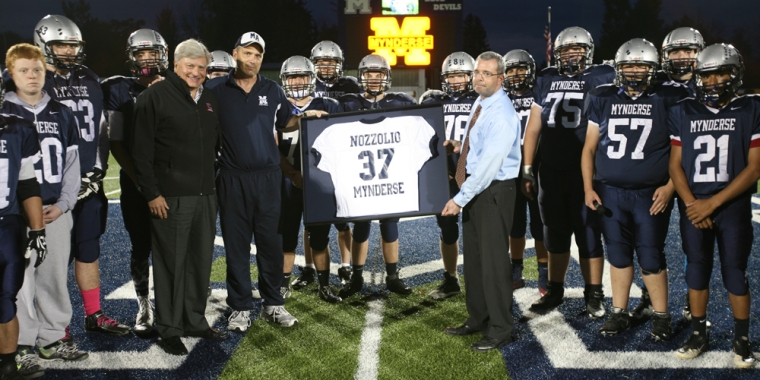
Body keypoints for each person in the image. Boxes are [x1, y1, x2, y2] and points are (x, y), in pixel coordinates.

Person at [581, 38, 688, 340]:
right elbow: (589, 148)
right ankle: (619, 313)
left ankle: (662, 316)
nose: (635, 71)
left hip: (650, 192)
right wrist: (588, 187)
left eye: (642, 65)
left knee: (651, 255)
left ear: (654, 69)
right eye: (629, 65)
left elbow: (683, 149)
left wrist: (670, 187)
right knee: (617, 254)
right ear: (619, 68)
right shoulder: (601, 96)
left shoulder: (669, 97)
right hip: (610, 190)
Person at [205, 32, 309, 332]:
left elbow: (287, 121)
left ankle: (273, 303)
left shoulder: (273, 90)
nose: (253, 59)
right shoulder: (214, 89)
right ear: (235, 53)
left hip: (268, 178)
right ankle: (239, 307)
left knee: (270, 243)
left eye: (258, 55)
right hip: (231, 177)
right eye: (248, 53)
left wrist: (308, 118)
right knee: (236, 246)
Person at [33, 14, 129, 337]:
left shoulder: (89, 79)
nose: (68, 52)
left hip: (88, 185)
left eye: (73, 46)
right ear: (43, 43)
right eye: (61, 45)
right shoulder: (31, 80)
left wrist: (97, 172)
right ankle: (54, 326)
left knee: (89, 250)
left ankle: (93, 314)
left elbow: (101, 131)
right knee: (51, 260)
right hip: (50, 189)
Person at [132, 38, 228, 355]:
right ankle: (169, 327)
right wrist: (152, 194)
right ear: (176, 65)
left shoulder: (209, 99)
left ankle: (194, 320)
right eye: (190, 66)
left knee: (199, 261)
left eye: (201, 67)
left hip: (204, 193)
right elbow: (140, 153)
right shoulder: (153, 97)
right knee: (171, 263)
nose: (196, 72)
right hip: (170, 196)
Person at [669, 43, 759, 368]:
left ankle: (742, 339)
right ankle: (698, 333)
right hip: (694, 206)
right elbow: (675, 165)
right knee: (696, 269)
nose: (714, 81)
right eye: (707, 75)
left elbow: (755, 167)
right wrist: (694, 203)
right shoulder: (683, 110)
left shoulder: (751, 108)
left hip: (730, 206)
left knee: (735, 272)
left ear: (735, 74)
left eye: (721, 73)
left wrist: (713, 204)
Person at [2, 43, 87, 377]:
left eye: (37, 69)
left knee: (53, 277)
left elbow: (72, 165)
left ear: (45, 71)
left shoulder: (62, 112)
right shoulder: (5, 111)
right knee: (18, 283)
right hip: (12, 213)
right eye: (23, 70)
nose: (32, 76)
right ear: (11, 74)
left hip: (52, 209)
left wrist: (65, 204)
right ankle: (21, 343)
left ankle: (51, 338)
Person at [521, 26, 614, 318]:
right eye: (566, 51)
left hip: (585, 172)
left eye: (578, 50)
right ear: (557, 54)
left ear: (589, 52)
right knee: (555, 235)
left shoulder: (601, 77)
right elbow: (533, 128)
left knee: (588, 235)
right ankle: (555, 289)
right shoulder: (546, 79)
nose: (572, 55)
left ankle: (594, 293)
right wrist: (527, 168)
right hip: (550, 169)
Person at [441, 51, 521, 352]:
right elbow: (480, 147)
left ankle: (501, 328)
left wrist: (460, 199)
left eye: (487, 74)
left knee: (493, 263)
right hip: (479, 188)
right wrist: (459, 146)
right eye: (477, 72)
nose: (479, 78)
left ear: (501, 78)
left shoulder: (501, 112)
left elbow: (489, 166)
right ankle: (478, 318)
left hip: (493, 190)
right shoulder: (483, 101)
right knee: (474, 261)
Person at [101, 28, 168, 337]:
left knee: (173, 247)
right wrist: (140, 180)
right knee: (141, 245)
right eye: (141, 54)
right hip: (135, 182)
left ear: (163, 54)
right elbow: (116, 141)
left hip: (172, 181)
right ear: (131, 57)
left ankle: (174, 304)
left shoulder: (177, 86)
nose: (147, 59)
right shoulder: (118, 89)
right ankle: (144, 304)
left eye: (153, 53)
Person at [338, 54, 417, 299]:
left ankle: (393, 277)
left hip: (389, 174)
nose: (373, 79)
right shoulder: (348, 102)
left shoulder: (401, 102)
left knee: (389, 224)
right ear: (361, 77)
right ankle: (357, 276)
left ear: (387, 76)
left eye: (378, 74)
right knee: (360, 224)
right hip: (359, 175)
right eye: (368, 75)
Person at [290, 40, 359, 290]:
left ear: (340, 64)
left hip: (338, 155)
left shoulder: (351, 86)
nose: (327, 67)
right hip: (310, 155)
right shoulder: (307, 83)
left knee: (342, 220)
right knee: (313, 221)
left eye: (332, 62)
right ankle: (309, 267)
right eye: (321, 62)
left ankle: (346, 264)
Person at [278, 55, 343, 303]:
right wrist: (293, 174)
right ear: (284, 80)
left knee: (319, 237)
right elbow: (273, 146)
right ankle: (283, 284)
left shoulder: (331, 104)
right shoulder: (279, 106)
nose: (297, 81)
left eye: (302, 76)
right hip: (288, 181)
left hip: (319, 182)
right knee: (287, 236)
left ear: (311, 78)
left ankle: (324, 285)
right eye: (292, 76)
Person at [419, 51, 478, 299]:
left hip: (475, 173)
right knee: (447, 227)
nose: (455, 81)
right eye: (451, 76)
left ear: (471, 76)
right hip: (445, 174)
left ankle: (481, 279)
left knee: (478, 228)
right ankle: (451, 278)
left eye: (461, 76)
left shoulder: (482, 100)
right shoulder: (437, 101)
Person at [0, 75, 46, 380]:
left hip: (6, 224)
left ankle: (6, 363)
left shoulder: (17, 128)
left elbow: (28, 184)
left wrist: (38, 230)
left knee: (5, 296)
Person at [501, 49, 549, 294]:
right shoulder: (499, 97)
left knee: (540, 225)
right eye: (510, 70)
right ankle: (516, 270)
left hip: (536, 167)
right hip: (509, 168)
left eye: (520, 69)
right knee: (515, 224)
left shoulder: (540, 95)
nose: (515, 74)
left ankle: (544, 272)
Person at [659, 27, 705, 97]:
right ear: (666, 55)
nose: (681, 57)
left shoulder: (707, 81)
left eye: (687, 52)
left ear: (698, 54)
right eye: (675, 52)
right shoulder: (655, 81)